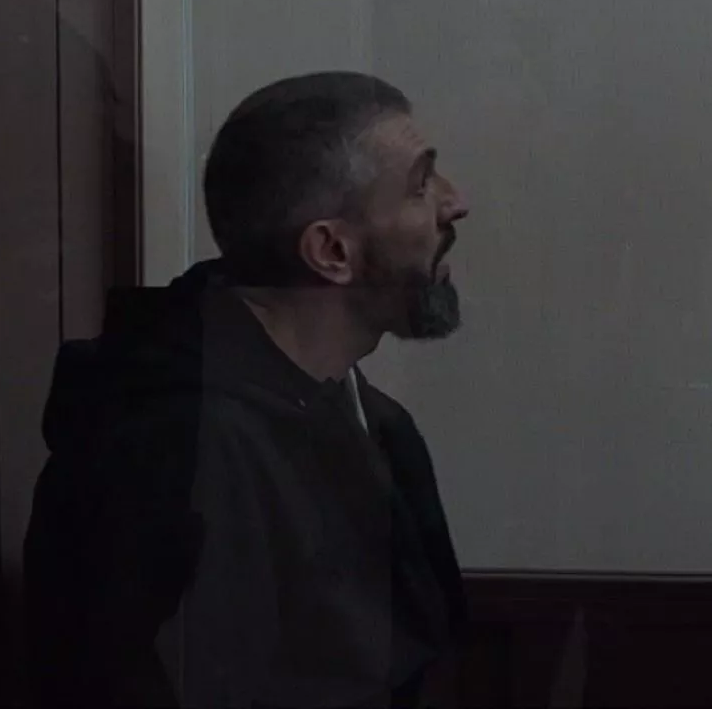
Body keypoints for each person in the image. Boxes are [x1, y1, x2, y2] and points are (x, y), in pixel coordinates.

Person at [23, 72, 471, 708]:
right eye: (420, 185)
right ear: (331, 250)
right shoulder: (169, 448)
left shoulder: (377, 424)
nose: (455, 202)